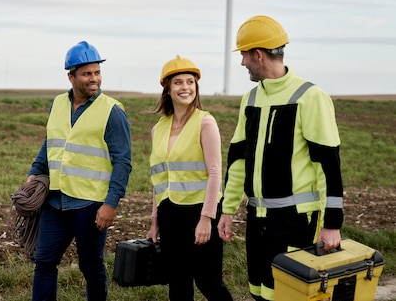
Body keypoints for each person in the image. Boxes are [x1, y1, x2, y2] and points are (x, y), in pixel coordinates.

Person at [217, 15, 344, 301]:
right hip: (257, 219)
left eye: (244, 55)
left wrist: (332, 224)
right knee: (260, 293)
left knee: (290, 295)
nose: (242, 63)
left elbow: (328, 165)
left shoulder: (310, 97)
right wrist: (227, 209)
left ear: (258, 55)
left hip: (296, 222)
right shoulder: (250, 99)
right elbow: (238, 160)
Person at [26, 40, 132, 301]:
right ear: (71, 76)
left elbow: (123, 161)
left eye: (97, 73)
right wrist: (34, 173)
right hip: (55, 201)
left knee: (91, 266)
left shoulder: (112, 111)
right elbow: (50, 143)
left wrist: (110, 204)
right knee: (44, 263)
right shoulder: (58, 103)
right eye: (87, 74)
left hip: (90, 204)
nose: (93, 79)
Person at [146, 55, 233, 301]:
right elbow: (158, 179)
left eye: (190, 82)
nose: (185, 87)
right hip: (169, 213)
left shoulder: (205, 122)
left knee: (209, 282)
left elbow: (215, 172)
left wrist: (206, 218)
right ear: (167, 89)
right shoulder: (158, 128)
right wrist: (155, 222)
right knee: (178, 283)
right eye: (178, 83)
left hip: (200, 211)